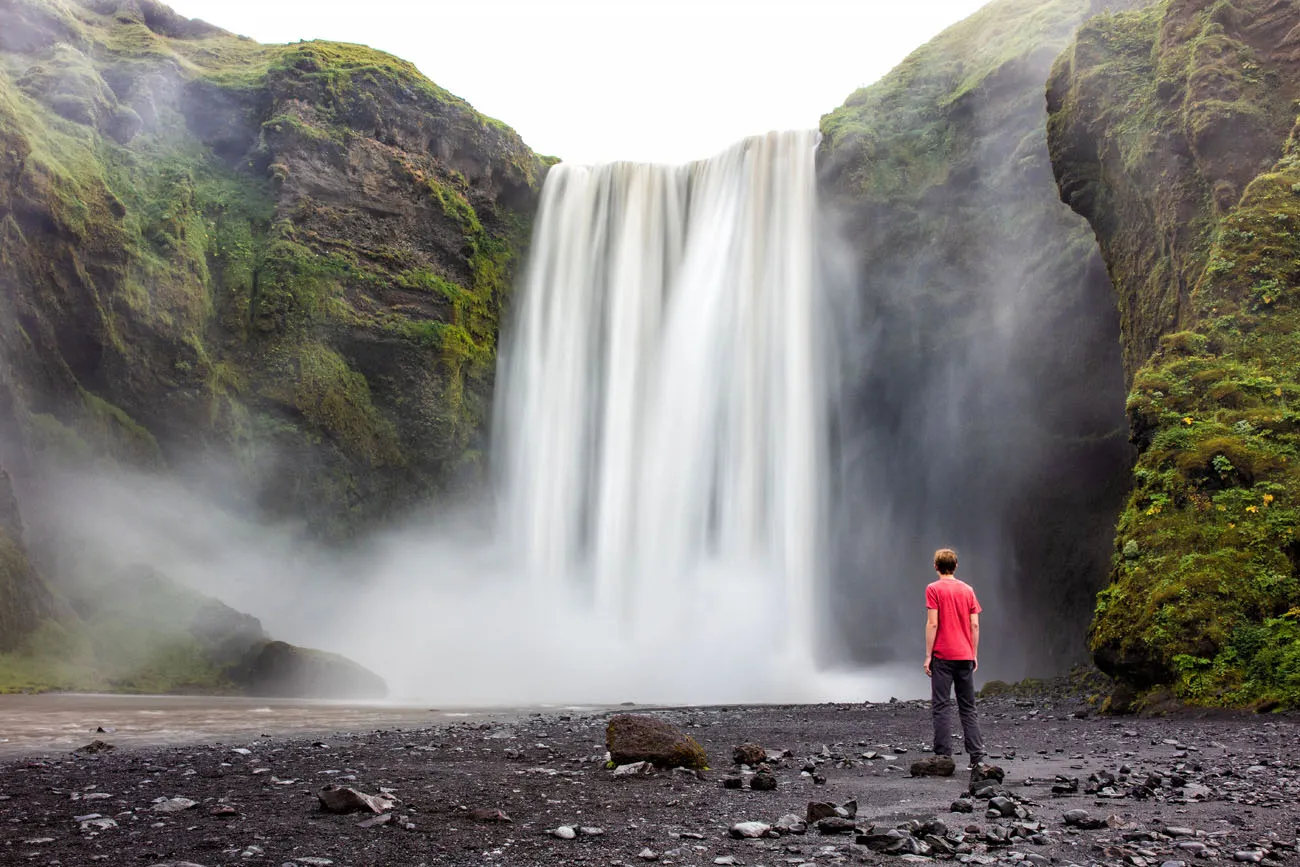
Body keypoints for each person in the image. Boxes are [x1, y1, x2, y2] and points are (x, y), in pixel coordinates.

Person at [923, 547, 985, 767]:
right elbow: (974, 624)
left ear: (936, 566)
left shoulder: (933, 589)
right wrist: (973, 653)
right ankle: (977, 757)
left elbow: (933, 623)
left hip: (943, 655)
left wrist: (928, 655)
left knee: (941, 705)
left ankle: (943, 757)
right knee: (968, 707)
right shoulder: (968, 590)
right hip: (964, 655)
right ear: (956, 565)